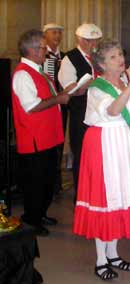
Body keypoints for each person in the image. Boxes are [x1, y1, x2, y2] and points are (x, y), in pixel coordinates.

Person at [73, 40, 130, 280]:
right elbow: (114, 111)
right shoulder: (98, 87)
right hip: (104, 143)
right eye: (114, 56)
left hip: (122, 143)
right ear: (102, 64)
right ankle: (101, 259)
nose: (120, 59)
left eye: (120, 54)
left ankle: (113, 254)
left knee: (119, 196)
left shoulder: (122, 84)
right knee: (105, 197)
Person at [11, 29, 72, 236]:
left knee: (46, 181)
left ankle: (40, 213)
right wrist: (59, 99)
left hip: (48, 137)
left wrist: (61, 95)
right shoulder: (22, 74)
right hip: (34, 139)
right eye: (44, 47)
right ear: (33, 50)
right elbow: (32, 106)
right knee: (35, 183)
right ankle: (31, 219)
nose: (46, 51)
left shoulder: (39, 72)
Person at [58, 23, 102, 200]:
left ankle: (96, 194)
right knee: (81, 155)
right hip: (80, 114)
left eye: (96, 41)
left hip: (99, 114)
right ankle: (81, 197)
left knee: (97, 155)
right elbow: (69, 89)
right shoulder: (70, 58)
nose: (94, 45)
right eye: (90, 41)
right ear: (80, 40)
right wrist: (88, 83)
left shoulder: (98, 57)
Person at [43, 23, 66, 196]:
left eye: (59, 33)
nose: (57, 36)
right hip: (47, 106)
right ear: (45, 36)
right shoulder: (43, 57)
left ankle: (56, 180)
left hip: (62, 106)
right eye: (54, 33)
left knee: (60, 140)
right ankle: (48, 179)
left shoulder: (64, 57)